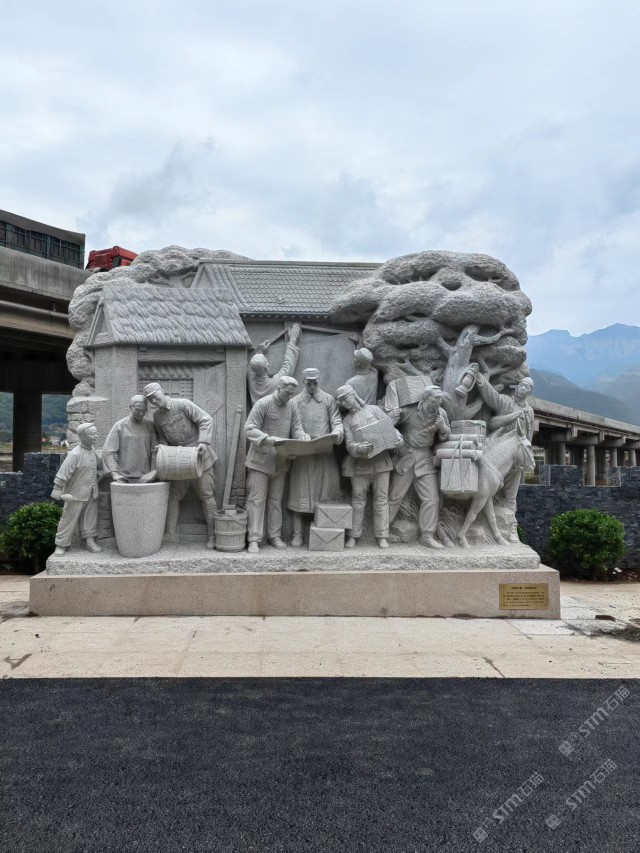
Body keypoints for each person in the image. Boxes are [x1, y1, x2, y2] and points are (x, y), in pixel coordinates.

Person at [143, 383, 217, 549]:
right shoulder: (157, 417)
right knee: (174, 495)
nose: (154, 400)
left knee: (207, 495)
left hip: (200, 456)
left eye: (155, 395)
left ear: (162, 391)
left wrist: (203, 442)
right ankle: (170, 534)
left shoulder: (183, 404)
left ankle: (212, 535)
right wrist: (162, 448)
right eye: (150, 399)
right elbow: (163, 438)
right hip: (178, 461)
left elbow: (206, 419)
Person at [244, 376, 309, 553]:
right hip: (259, 462)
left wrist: (302, 436)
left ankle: (274, 536)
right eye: (287, 393)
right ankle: (254, 539)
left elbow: (296, 427)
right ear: (278, 389)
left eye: (292, 394)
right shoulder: (263, 404)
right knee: (256, 500)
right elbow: (249, 428)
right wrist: (267, 439)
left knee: (275, 500)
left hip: (280, 462)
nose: (290, 397)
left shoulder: (292, 406)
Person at [336, 384, 403, 549]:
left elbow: (390, 428)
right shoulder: (347, 420)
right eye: (341, 401)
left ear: (353, 394)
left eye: (345, 398)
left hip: (381, 463)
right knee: (358, 501)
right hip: (361, 465)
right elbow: (349, 444)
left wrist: (399, 438)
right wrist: (358, 448)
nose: (344, 403)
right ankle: (353, 535)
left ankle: (382, 536)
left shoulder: (374, 410)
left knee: (381, 500)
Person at [475, 370, 535, 543]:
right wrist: (480, 377)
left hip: (516, 459)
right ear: (517, 386)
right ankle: (483, 526)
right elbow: (491, 398)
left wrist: (526, 454)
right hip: (498, 455)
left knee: (510, 497)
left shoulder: (529, 411)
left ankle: (511, 528)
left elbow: (529, 436)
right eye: (521, 385)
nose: (522, 389)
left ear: (530, 391)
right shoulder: (506, 402)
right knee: (487, 491)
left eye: (527, 387)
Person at [287, 367, 344, 547]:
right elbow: (293, 426)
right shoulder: (295, 402)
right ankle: (297, 534)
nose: (312, 386)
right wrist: (300, 436)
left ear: (319, 381)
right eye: (309, 383)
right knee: (300, 493)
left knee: (326, 492)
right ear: (303, 381)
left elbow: (336, 421)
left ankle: (325, 532)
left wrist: (338, 432)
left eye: (315, 383)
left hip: (324, 453)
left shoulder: (328, 399)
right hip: (303, 454)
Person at [388, 387, 450, 548]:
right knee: (394, 497)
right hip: (407, 457)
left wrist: (443, 427)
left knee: (432, 498)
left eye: (441, 398)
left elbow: (445, 436)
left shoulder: (441, 413)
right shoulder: (410, 411)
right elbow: (390, 424)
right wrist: (392, 419)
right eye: (436, 398)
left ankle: (427, 536)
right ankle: (382, 531)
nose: (440, 401)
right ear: (426, 398)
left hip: (425, 458)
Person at [51, 422, 102, 556]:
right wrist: (57, 489)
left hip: (91, 492)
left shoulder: (92, 450)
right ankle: (61, 544)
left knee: (90, 518)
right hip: (75, 494)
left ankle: (90, 541)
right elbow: (63, 473)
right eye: (93, 434)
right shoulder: (75, 454)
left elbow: (100, 464)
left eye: (96, 433)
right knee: (68, 519)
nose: (96, 436)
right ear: (83, 437)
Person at [102, 395, 157, 482]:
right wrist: (114, 473)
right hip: (124, 477)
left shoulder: (150, 426)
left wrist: (154, 471)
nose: (141, 413)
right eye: (138, 410)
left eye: (144, 410)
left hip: (146, 477)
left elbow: (155, 450)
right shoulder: (120, 426)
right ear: (130, 407)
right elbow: (108, 450)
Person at [247, 323, 301, 403]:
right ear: (266, 369)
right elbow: (287, 367)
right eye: (267, 363)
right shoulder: (274, 383)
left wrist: (259, 351)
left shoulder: (252, 381)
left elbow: (251, 367)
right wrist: (292, 340)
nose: (268, 363)